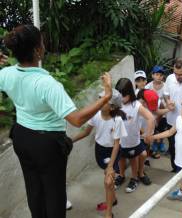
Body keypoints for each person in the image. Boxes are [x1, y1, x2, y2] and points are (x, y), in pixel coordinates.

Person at [0, 24, 113, 218]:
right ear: (37, 50)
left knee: (33, 187)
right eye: (42, 43)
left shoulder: (6, 74)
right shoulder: (47, 84)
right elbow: (76, 119)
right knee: (54, 193)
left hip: (21, 137)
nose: (44, 46)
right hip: (47, 145)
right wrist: (105, 97)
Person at [71, 89, 127, 218]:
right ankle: (112, 200)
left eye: (104, 100)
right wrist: (70, 140)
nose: (99, 102)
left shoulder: (117, 120)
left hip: (112, 151)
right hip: (100, 150)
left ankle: (109, 213)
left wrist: (111, 166)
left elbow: (117, 144)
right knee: (108, 178)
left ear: (112, 107)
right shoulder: (96, 115)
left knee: (108, 181)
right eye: (99, 98)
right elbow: (86, 132)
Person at [115, 78, 154, 192]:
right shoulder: (116, 103)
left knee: (133, 159)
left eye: (123, 96)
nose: (121, 99)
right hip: (119, 140)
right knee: (121, 158)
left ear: (130, 93)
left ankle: (134, 178)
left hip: (132, 141)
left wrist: (148, 134)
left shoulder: (136, 105)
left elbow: (150, 118)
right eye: (119, 96)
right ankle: (121, 176)